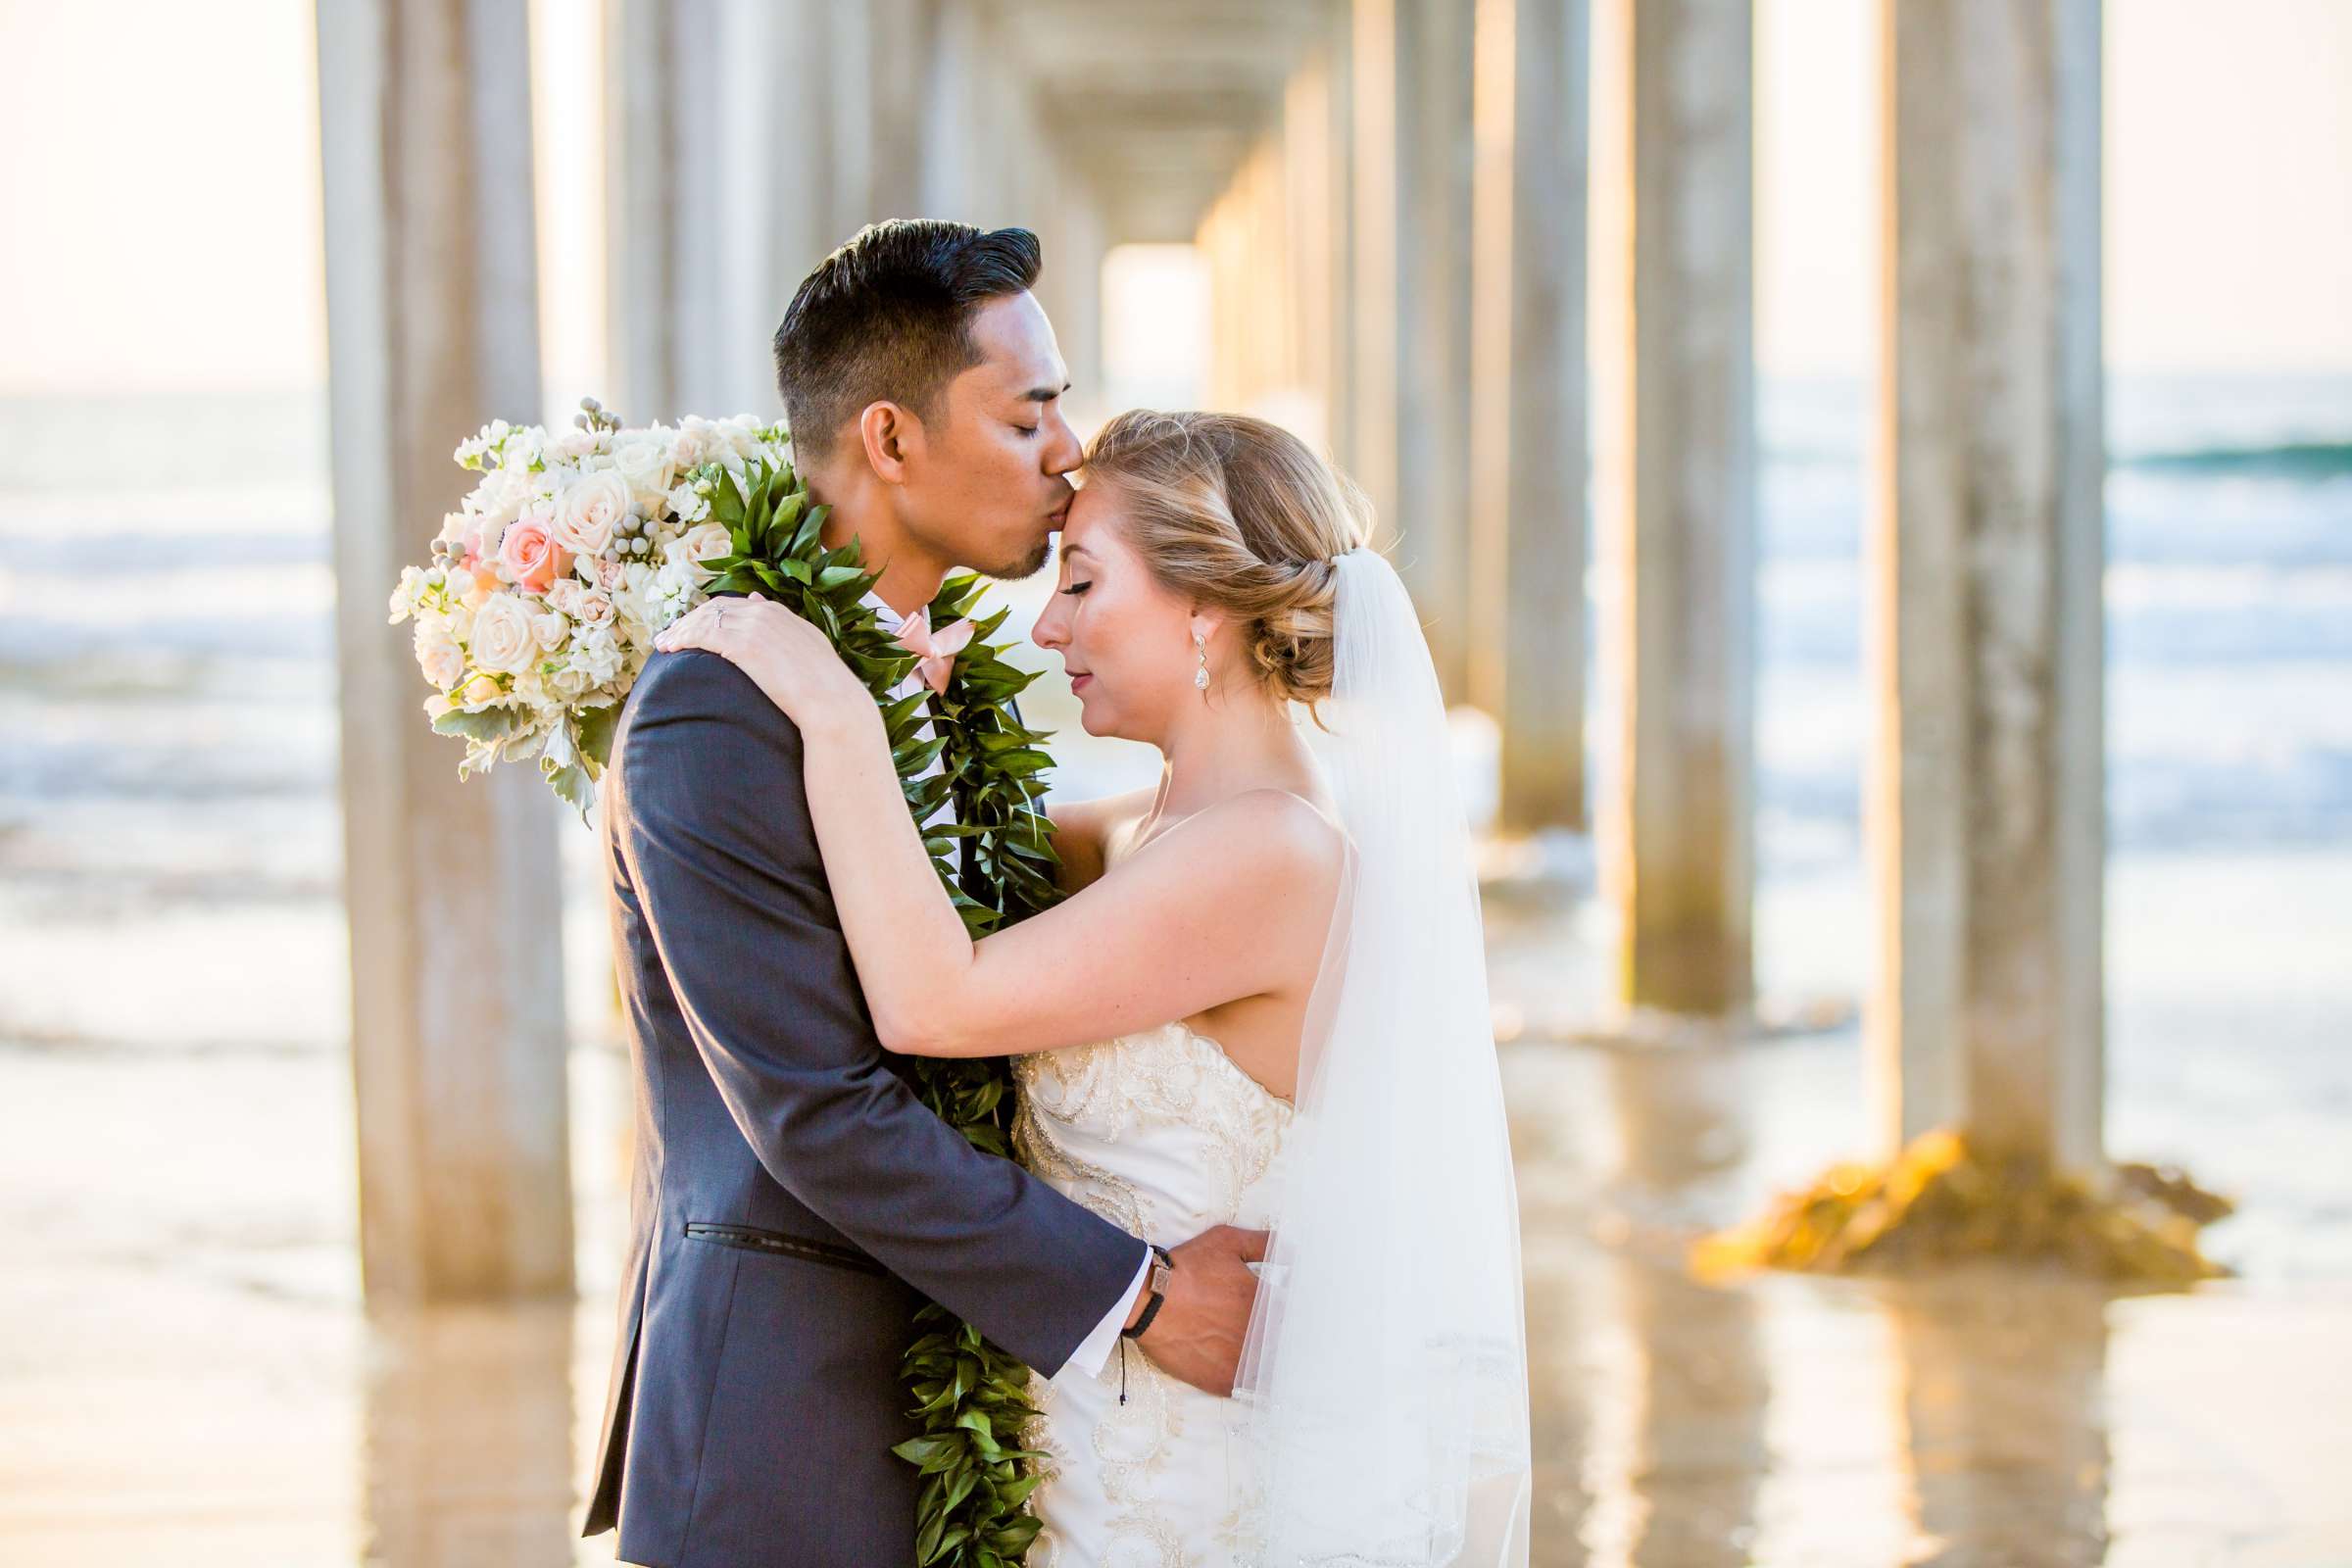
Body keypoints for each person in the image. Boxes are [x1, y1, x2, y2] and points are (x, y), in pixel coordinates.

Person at [661, 409, 1534, 1564]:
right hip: (1087, 1435)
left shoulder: (1273, 851)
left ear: (1203, 611)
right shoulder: (1150, 829)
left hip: (1175, 1469)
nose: (1046, 621)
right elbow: (931, 871)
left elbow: (935, 999)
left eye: (1080, 581)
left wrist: (833, 708)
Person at [584, 222, 1267, 1568]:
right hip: (786, 1435)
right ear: (890, 441)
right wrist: (1136, 1297)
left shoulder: (934, 691)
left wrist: (1285, 809)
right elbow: (816, 1112)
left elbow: (1091, 895)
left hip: (970, 1410)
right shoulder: (714, 711)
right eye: (1029, 417)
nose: (1070, 450)